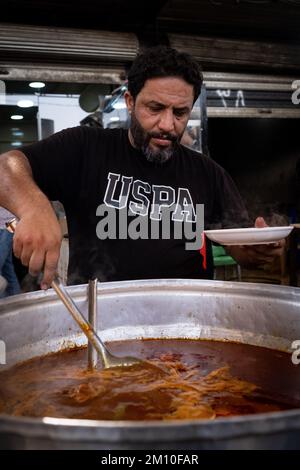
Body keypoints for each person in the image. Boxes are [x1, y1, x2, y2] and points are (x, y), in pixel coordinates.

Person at [0, 46, 283, 289]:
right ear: (130, 101)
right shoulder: (85, 147)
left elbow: (237, 244)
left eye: (180, 113)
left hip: (189, 324)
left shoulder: (207, 172)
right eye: (155, 108)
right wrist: (34, 207)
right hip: (102, 322)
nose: (167, 125)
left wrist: (254, 250)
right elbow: (6, 167)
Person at [0, 207, 21, 297]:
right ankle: (17, 298)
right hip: (2, 224)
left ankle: (3, 303)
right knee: (7, 267)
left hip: (11, 223)